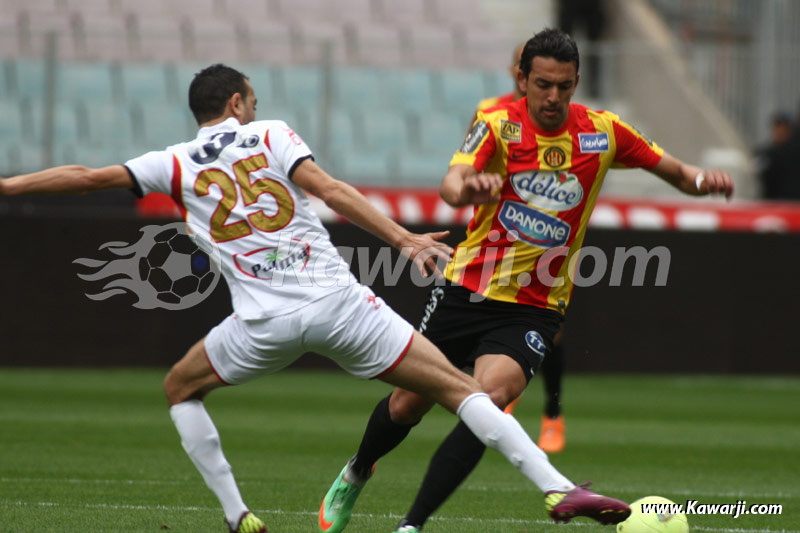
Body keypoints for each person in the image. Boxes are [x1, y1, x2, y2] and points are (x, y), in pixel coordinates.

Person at [0, 63, 633, 532]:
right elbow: (331, 191)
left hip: (262, 326)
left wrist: (8, 185)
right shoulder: (271, 133)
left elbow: (85, 178)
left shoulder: (172, 161)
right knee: (461, 390)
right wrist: (403, 239)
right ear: (240, 101)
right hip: (340, 308)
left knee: (179, 388)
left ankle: (237, 516)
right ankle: (554, 489)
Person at [320, 28, 734, 533]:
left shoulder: (603, 132)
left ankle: (412, 525)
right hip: (466, 288)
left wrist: (699, 181)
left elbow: (670, 168)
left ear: (577, 82)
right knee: (408, 404)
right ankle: (358, 469)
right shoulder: (497, 125)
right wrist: (467, 186)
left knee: (488, 403)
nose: (553, 97)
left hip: (534, 307)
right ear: (522, 79)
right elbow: (452, 183)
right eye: (542, 84)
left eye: (563, 86)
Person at [474, 41, 568, 454]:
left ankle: (552, 414)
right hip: (497, 240)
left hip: (548, 239)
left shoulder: (564, 124)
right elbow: (470, 165)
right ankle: (501, 393)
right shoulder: (490, 112)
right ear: (520, 74)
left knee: (555, 335)